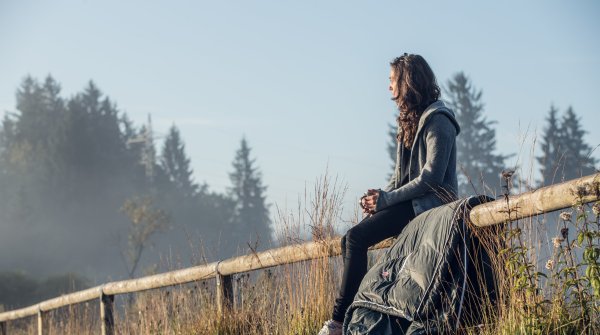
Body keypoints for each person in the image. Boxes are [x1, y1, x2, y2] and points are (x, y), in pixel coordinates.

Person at [317, 53, 460, 335]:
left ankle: (338, 322)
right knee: (349, 238)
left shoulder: (439, 121)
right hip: (409, 201)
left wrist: (387, 200)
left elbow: (430, 179)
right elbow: (400, 176)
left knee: (357, 238)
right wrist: (379, 197)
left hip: (430, 205)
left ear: (408, 83)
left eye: (392, 80)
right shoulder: (406, 120)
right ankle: (350, 318)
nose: (388, 87)